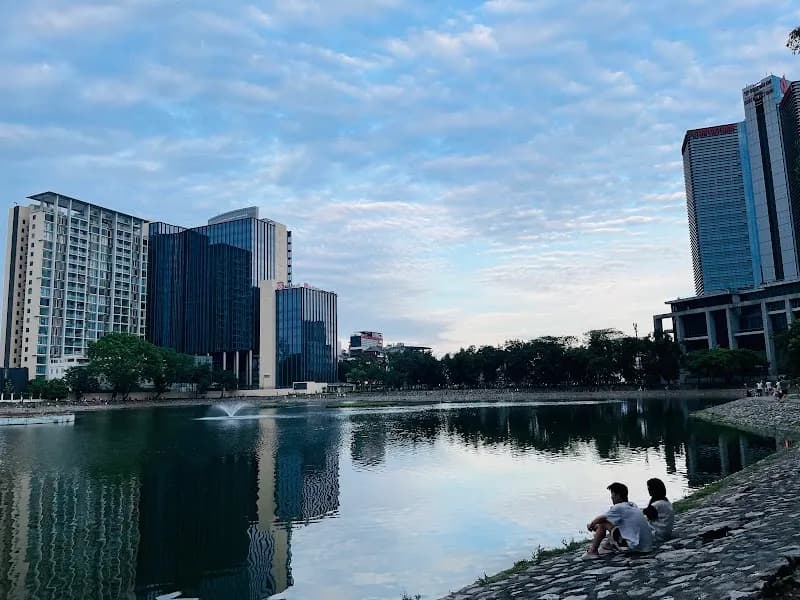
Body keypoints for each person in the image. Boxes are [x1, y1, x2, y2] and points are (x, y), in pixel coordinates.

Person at [584, 482, 653, 559]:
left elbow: (601, 519)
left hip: (635, 548)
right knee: (610, 523)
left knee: (603, 523)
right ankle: (607, 546)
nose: (611, 498)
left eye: (612, 495)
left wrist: (591, 525)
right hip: (646, 546)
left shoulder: (619, 507)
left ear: (618, 495)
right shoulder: (632, 505)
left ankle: (592, 551)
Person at [642, 478, 674, 545]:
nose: (648, 490)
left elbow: (645, 517)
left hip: (657, 535)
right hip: (666, 533)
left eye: (649, 488)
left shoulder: (656, 505)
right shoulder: (666, 502)